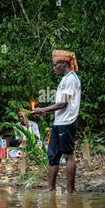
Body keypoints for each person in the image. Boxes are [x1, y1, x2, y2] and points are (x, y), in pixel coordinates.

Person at [32, 50, 81, 194]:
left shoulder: (71, 79)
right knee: (53, 155)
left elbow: (63, 103)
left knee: (68, 154)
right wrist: (43, 111)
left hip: (67, 122)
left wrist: (42, 110)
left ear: (63, 64)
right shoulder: (64, 80)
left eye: (55, 65)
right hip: (59, 122)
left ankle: (70, 191)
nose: (53, 68)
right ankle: (50, 189)